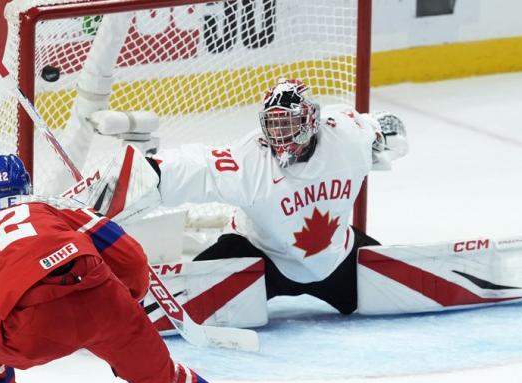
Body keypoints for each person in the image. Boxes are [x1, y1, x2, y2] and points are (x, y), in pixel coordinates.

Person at [0, 154, 263, 383]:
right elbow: (132, 256)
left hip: (39, 326)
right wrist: (127, 303)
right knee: (165, 376)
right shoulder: (57, 206)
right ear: (27, 185)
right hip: (105, 299)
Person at [148, 78, 408, 315]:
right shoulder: (249, 160)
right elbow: (200, 167)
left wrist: (386, 136)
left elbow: (383, 130)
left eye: (289, 123)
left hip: (335, 258)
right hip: (258, 257)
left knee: (400, 293)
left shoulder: (347, 135)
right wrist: (151, 172)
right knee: (191, 295)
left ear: (310, 120)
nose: (280, 134)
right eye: (274, 124)